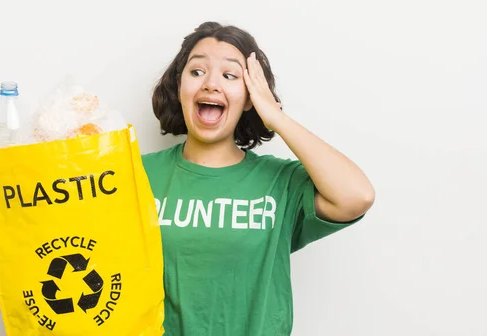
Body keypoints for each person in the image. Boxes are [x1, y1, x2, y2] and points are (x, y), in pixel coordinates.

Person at [142, 21, 375, 336]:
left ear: (251, 96)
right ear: (178, 88)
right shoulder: (139, 174)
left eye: (230, 75)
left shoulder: (280, 182)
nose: (210, 84)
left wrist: (276, 116)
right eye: (197, 72)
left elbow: (356, 196)